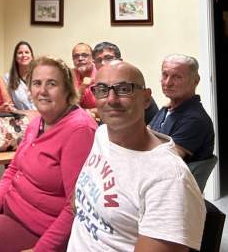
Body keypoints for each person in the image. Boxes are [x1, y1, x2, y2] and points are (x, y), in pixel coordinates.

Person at [0, 56, 97, 252]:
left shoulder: (79, 130)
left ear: (67, 89)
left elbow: (77, 204)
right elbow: (13, 170)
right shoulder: (37, 122)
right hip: (13, 203)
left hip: (38, 225)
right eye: (37, 83)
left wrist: (41, 250)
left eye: (52, 83)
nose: (42, 90)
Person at [67, 60, 205, 251]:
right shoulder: (102, 134)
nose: (111, 99)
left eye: (124, 89)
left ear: (146, 98)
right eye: (102, 90)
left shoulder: (169, 180)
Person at [149, 54, 215, 162]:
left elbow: (167, 160)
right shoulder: (167, 109)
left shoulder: (195, 119)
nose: (168, 83)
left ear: (196, 80)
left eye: (177, 77)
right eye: (165, 75)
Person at [92, 41, 159, 123]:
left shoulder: (131, 84)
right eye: (99, 60)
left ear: (120, 61)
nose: (103, 63)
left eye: (108, 58)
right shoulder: (98, 88)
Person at [4, 41, 36, 110]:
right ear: (15, 58)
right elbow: (10, 105)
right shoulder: (8, 78)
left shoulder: (40, 75)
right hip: (20, 115)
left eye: (27, 52)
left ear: (32, 57)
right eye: (20, 53)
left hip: (43, 115)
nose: (24, 55)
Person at [71, 42, 98, 110]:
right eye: (76, 56)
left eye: (84, 55)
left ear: (93, 58)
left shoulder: (101, 73)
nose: (80, 58)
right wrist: (83, 87)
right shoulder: (69, 75)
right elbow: (70, 105)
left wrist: (90, 112)